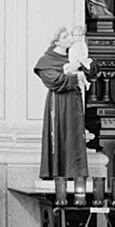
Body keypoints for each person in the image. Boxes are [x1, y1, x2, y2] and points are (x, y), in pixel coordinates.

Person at [34, 26, 90, 179]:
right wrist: (75, 77)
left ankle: (74, 172)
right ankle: (56, 172)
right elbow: (53, 81)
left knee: (74, 133)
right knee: (59, 133)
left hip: (73, 100)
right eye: (66, 38)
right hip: (58, 102)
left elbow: (90, 70)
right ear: (57, 42)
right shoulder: (46, 60)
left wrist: (83, 67)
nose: (70, 40)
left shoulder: (73, 56)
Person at [66, 25, 92, 109]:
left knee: (80, 74)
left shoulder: (82, 45)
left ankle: (86, 83)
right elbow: (70, 56)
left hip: (81, 62)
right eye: (76, 35)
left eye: (80, 35)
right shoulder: (72, 46)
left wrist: (80, 60)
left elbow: (85, 54)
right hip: (74, 63)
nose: (78, 37)